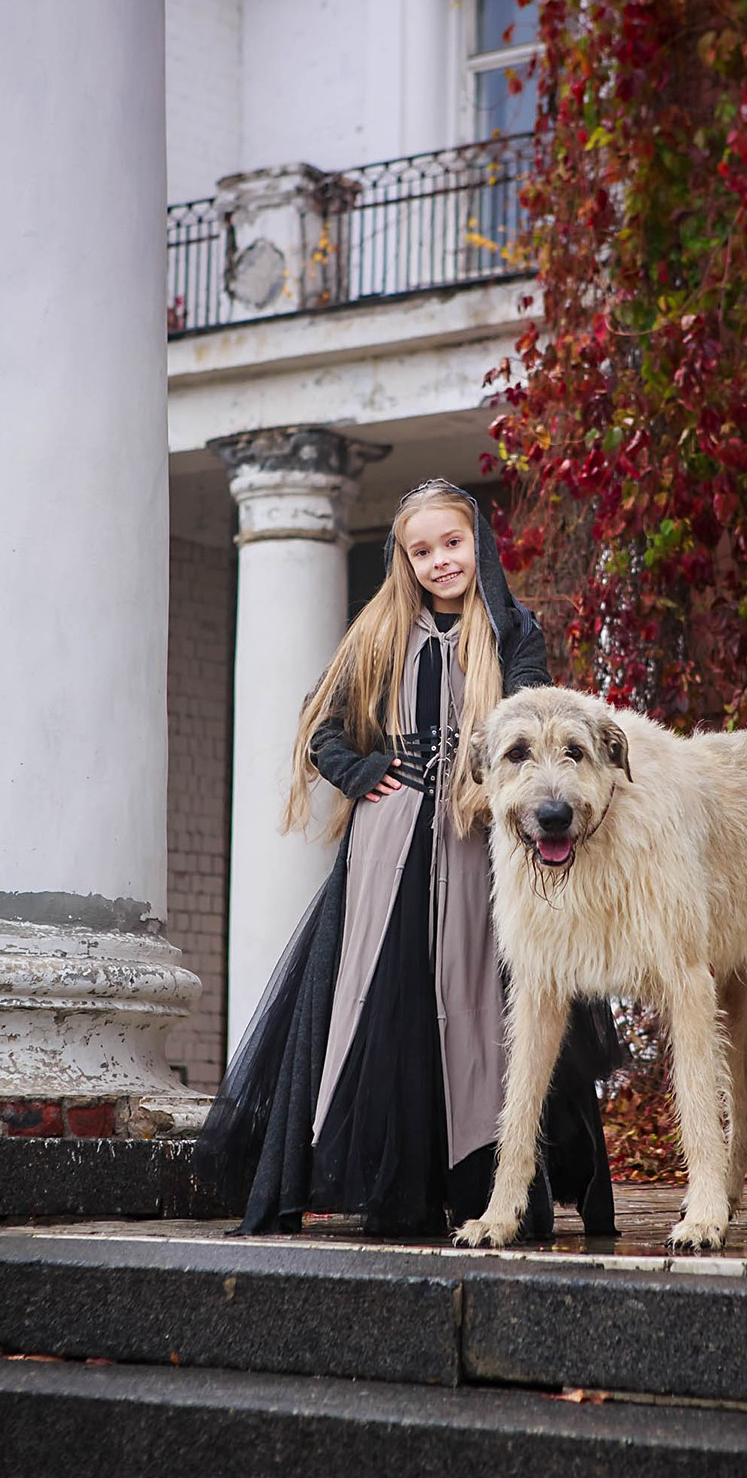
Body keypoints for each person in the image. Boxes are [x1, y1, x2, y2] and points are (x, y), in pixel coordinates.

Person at [193, 479, 619, 1239]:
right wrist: (363, 775)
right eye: (421, 550)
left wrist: (494, 788)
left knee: (487, 1002)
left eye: (451, 544)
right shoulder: (380, 634)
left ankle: (496, 1186)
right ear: (405, 560)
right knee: (385, 1002)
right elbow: (322, 727)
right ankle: (400, 1186)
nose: (439, 561)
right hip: (387, 849)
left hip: (482, 841)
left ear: (477, 543)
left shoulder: (513, 633)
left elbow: (537, 725)